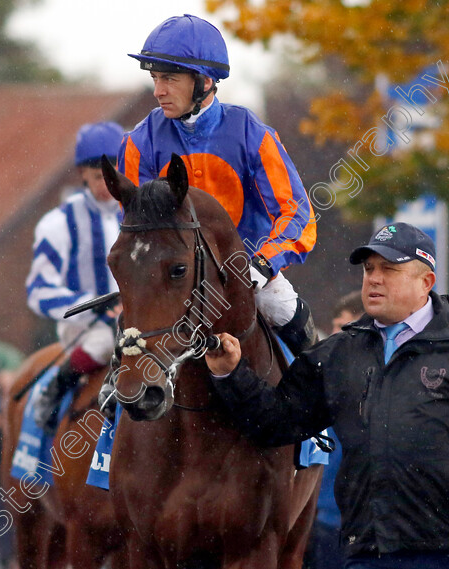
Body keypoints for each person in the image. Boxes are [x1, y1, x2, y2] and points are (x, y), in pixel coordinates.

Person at [205, 222, 449, 569]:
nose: (374, 278)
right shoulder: (338, 353)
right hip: (368, 555)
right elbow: (277, 423)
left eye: (389, 269)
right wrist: (230, 373)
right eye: (369, 269)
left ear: (425, 282)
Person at [120, 14, 317, 354]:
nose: (158, 91)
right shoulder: (139, 143)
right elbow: (136, 228)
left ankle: (320, 393)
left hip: (249, 273)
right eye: (155, 78)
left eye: (168, 78)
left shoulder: (252, 134)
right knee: (125, 350)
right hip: (171, 282)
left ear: (204, 80)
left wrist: (263, 264)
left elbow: (297, 214)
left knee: (292, 321)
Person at [26, 121, 124, 432]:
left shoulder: (139, 215)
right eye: (98, 177)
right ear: (82, 174)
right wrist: (91, 305)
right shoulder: (58, 223)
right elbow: (38, 291)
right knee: (107, 342)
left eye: (114, 175)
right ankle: (53, 392)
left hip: (134, 320)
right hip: (85, 327)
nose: (107, 184)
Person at [303, 291, 364, 569]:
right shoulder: (323, 377)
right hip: (322, 518)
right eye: (335, 327)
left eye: (344, 327)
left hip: (365, 525)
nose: (335, 335)